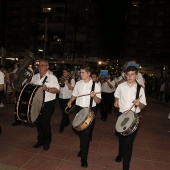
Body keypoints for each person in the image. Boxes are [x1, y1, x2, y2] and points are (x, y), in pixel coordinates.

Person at [67, 65, 101, 168]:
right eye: (80, 72)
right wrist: (70, 101)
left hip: (90, 111)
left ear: (88, 73)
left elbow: (98, 101)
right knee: (80, 131)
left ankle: (84, 159)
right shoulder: (78, 83)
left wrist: (94, 96)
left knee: (86, 134)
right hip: (79, 109)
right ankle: (82, 148)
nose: (80, 74)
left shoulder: (96, 85)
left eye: (82, 73)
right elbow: (74, 94)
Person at [114, 64, 147, 170]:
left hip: (134, 117)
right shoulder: (120, 86)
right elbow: (116, 95)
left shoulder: (140, 89)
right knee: (121, 138)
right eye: (128, 74)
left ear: (136, 76)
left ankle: (126, 166)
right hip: (122, 114)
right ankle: (120, 154)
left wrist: (138, 104)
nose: (130, 76)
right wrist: (116, 101)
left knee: (128, 142)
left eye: (132, 74)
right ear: (125, 75)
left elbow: (143, 106)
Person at [31, 59, 60, 151]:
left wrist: (47, 89)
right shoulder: (35, 77)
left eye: (43, 65)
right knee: (38, 122)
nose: (40, 67)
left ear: (47, 67)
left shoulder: (52, 77)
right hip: (36, 102)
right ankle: (40, 141)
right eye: (39, 65)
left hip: (48, 102)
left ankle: (47, 141)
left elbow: (57, 90)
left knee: (45, 122)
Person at [59, 67, 75, 133]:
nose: (64, 73)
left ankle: (61, 128)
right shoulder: (61, 78)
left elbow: (72, 88)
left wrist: (67, 82)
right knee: (64, 112)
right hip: (61, 97)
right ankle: (67, 122)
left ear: (68, 73)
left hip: (68, 98)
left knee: (65, 113)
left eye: (65, 72)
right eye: (63, 72)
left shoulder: (72, 79)